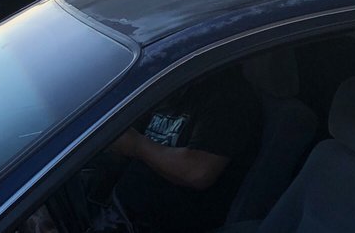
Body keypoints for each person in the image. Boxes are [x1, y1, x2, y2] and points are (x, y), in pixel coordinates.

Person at [104, 65, 262, 233]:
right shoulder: (176, 86)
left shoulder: (229, 100)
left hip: (167, 223)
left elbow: (198, 172)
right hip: (122, 212)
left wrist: (136, 146)